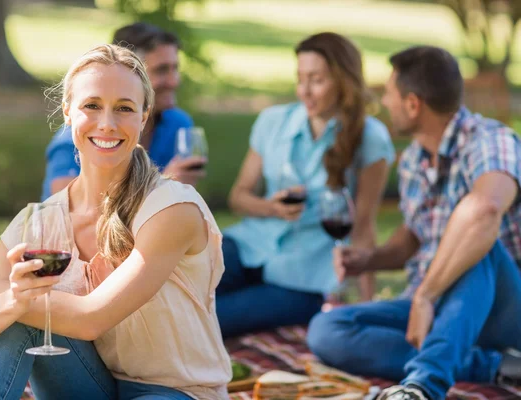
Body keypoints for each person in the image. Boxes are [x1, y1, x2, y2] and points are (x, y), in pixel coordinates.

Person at [0, 44, 231, 400]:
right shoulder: (39, 222)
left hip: (177, 391)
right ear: (68, 112)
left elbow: (90, 318)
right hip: (89, 383)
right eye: (91, 105)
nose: (107, 124)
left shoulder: (171, 208)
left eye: (124, 108)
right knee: (15, 320)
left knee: (25, 308)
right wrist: (10, 301)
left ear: (143, 118)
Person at [306, 46, 521, 400]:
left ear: (412, 104)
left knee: (477, 241)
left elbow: (484, 211)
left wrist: (425, 295)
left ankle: (422, 385)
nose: (384, 102)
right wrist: (370, 260)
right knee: (327, 329)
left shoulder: (490, 142)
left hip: (502, 309)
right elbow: (415, 235)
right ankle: (494, 365)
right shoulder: (413, 161)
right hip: (439, 304)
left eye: (389, 94)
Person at [216, 32, 395, 338]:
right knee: (175, 289)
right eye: (301, 79)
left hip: (304, 277)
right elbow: (238, 197)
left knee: (212, 318)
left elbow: (363, 228)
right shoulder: (273, 122)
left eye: (317, 80)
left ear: (344, 82)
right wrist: (271, 208)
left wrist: (366, 308)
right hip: (249, 245)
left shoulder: (370, 138)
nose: (304, 91)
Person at [41, 22, 205, 200]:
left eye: (175, 68)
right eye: (162, 70)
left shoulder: (178, 124)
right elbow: (70, 207)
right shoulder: (83, 134)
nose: (174, 81)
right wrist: (165, 184)